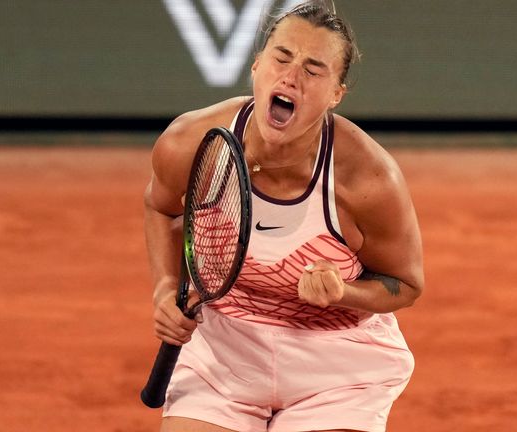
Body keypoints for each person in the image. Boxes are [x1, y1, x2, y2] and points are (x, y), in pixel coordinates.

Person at [144, 2, 424, 431]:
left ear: (336, 94)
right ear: (256, 66)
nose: (291, 77)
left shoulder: (367, 178)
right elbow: (162, 208)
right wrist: (166, 287)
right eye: (281, 57)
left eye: (314, 70)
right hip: (223, 356)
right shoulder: (190, 141)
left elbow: (405, 285)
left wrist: (343, 292)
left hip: (337, 366)